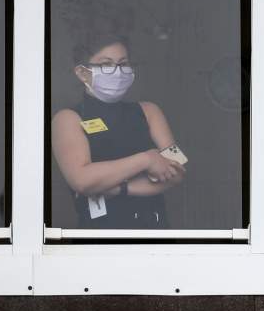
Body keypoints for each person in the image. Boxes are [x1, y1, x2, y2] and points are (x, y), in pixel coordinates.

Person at [51, 31, 184, 229]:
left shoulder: (149, 111)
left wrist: (120, 188)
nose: (117, 71)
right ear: (82, 72)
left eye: (123, 63)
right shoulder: (68, 118)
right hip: (100, 236)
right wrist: (147, 159)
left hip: (155, 232)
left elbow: (178, 170)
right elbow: (83, 180)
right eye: (105, 64)